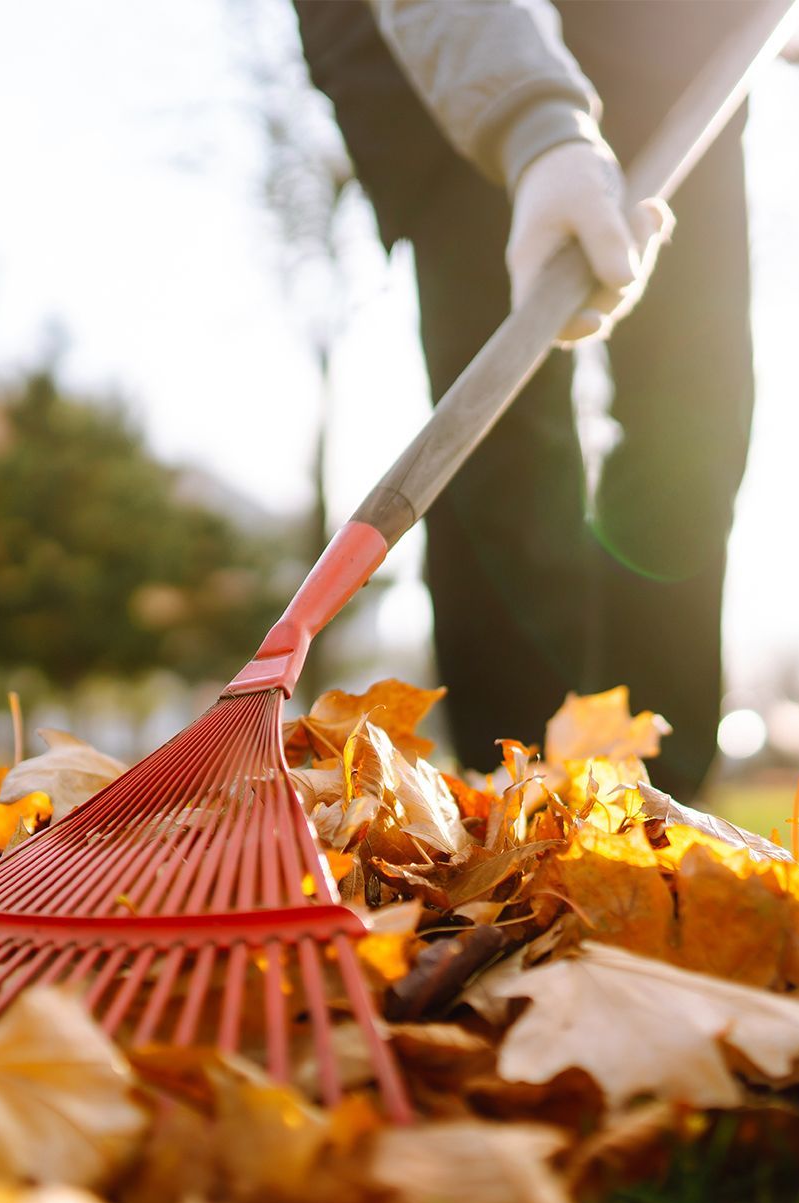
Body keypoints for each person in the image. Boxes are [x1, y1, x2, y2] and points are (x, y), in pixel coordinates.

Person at [296, 0, 757, 802]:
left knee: (693, 418)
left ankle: (661, 804)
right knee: (501, 447)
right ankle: (513, 804)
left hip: (682, 53)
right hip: (439, 65)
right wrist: (537, 130)